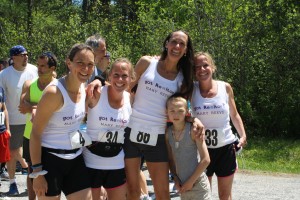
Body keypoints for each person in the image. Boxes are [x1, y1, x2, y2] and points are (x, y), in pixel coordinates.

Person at [122, 30, 201, 200]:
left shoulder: (183, 79)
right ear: (166, 43)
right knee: (133, 190)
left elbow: (181, 110)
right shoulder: (146, 62)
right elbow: (125, 88)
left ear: (186, 50)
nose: (177, 46)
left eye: (182, 44)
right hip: (131, 130)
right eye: (174, 42)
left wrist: (195, 120)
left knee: (163, 193)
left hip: (158, 136)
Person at [29, 43, 94, 199]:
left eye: (90, 64)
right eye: (80, 63)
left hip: (75, 158)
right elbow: (35, 133)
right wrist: (37, 172)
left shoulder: (84, 87)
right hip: (50, 161)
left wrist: (98, 81)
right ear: (69, 63)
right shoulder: (54, 92)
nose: (85, 68)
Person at [191, 52, 247, 200]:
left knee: (225, 195)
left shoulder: (225, 87)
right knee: (204, 195)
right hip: (201, 150)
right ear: (193, 71)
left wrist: (243, 135)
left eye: (205, 65)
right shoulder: (191, 89)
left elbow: (234, 115)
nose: (202, 69)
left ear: (213, 67)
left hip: (226, 148)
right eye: (197, 67)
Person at [83, 58, 135, 200]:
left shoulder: (130, 98)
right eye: (116, 75)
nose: (120, 79)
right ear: (109, 76)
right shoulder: (97, 92)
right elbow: (73, 103)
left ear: (131, 78)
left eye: (124, 75)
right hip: (91, 161)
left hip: (116, 161)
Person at [18, 52, 58, 200]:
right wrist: (41, 108)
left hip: (51, 135)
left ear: (52, 68)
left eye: (43, 66)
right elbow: (22, 107)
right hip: (30, 134)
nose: (39, 69)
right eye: (38, 65)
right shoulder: (29, 84)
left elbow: (57, 110)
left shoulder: (59, 86)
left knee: (50, 171)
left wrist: (33, 107)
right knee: (32, 171)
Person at [0, 45, 38, 196]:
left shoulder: (34, 70)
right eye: (22, 55)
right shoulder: (4, 74)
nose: (26, 57)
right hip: (13, 120)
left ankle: (33, 180)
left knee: (34, 152)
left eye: (27, 54)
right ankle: (12, 183)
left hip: (32, 118)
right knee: (12, 151)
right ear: (13, 58)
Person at [165, 93, 211, 200]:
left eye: (180, 110)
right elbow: (171, 159)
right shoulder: (168, 134)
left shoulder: (193, 130)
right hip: (183, 186)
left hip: (199, 185)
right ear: (166, 112)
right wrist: (175, 178)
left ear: (186, 112)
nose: (176, 114)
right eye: (172, 111)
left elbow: (206, 160)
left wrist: (190, 182)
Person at [0, 86, 11, 189]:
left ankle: (2, 171)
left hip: (1, 130)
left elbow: (4, 108)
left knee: (3, 157)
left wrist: (8, 128)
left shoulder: (1, 89)